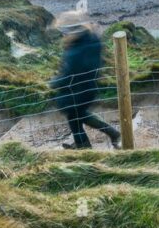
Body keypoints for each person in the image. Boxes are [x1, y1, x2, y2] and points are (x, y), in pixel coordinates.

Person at [49, 12, 121, 149]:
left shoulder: (74, 52)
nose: (63, 35)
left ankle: (85, 148)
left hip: (76, 92)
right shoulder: (92, 40)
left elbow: (67, 76)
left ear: (72, 31)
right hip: (90, 87)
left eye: (64, 32)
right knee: (80, 115)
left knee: (75, 119)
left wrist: (53, 82)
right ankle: (112, 134)